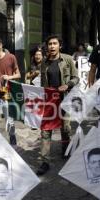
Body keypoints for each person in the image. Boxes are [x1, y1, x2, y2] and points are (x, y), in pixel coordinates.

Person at [36, 35, 79, 175]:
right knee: (45, 131)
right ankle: (44, 162)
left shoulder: (67, 59)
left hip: (64, 100)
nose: (52, 46)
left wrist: (67, 85)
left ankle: (66, 151)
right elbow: (43, 84)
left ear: (59, 45)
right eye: (49, 44)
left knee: (65, 129)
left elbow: (76, 78)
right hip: (49, 102)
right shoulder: (44, 63)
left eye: (55, 44)